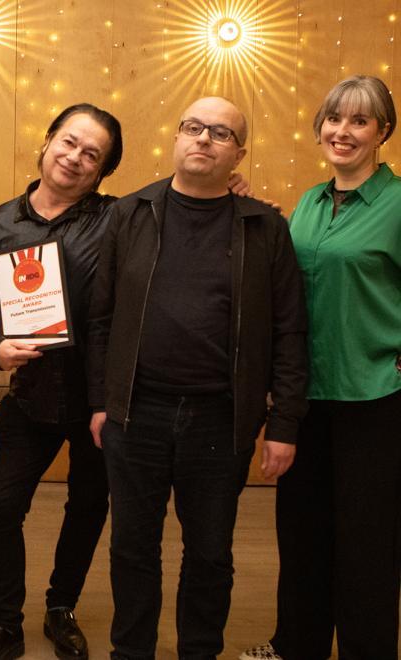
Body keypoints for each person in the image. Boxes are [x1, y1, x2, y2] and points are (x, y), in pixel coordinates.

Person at [88, 96, 308, 660]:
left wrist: (284, 421)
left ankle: (199, 652)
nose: (203, 139)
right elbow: (101, 318)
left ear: (239, 152)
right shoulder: (130, 213)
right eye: (193, 127)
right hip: (136, 412)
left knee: (209, 553)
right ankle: (130, 652)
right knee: (133, 549)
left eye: (220, 132)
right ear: (177, 137)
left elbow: (289, 332)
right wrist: (100, 402)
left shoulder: (265, 228)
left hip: (220, 418)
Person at [241, 76, 401, 660]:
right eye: (334, 119)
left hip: (374, 398)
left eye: (359, 121)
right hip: (304, 400)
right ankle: (296, 646)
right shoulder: (310, 200)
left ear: (382, 131)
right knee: (303, 536)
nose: (343, 131)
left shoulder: (398, 203)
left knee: (366, 545)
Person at [0, 103, 123, 660]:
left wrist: (234, 190)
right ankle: (5, 621)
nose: (75, 158)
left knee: (87, 506)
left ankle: (61, 607)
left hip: (100, 398)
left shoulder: (120, 219)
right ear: (48, 140)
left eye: (91, 154)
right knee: (1, 509)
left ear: (101, 172)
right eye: (69, 142)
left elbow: (183, 207)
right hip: (29, 396)